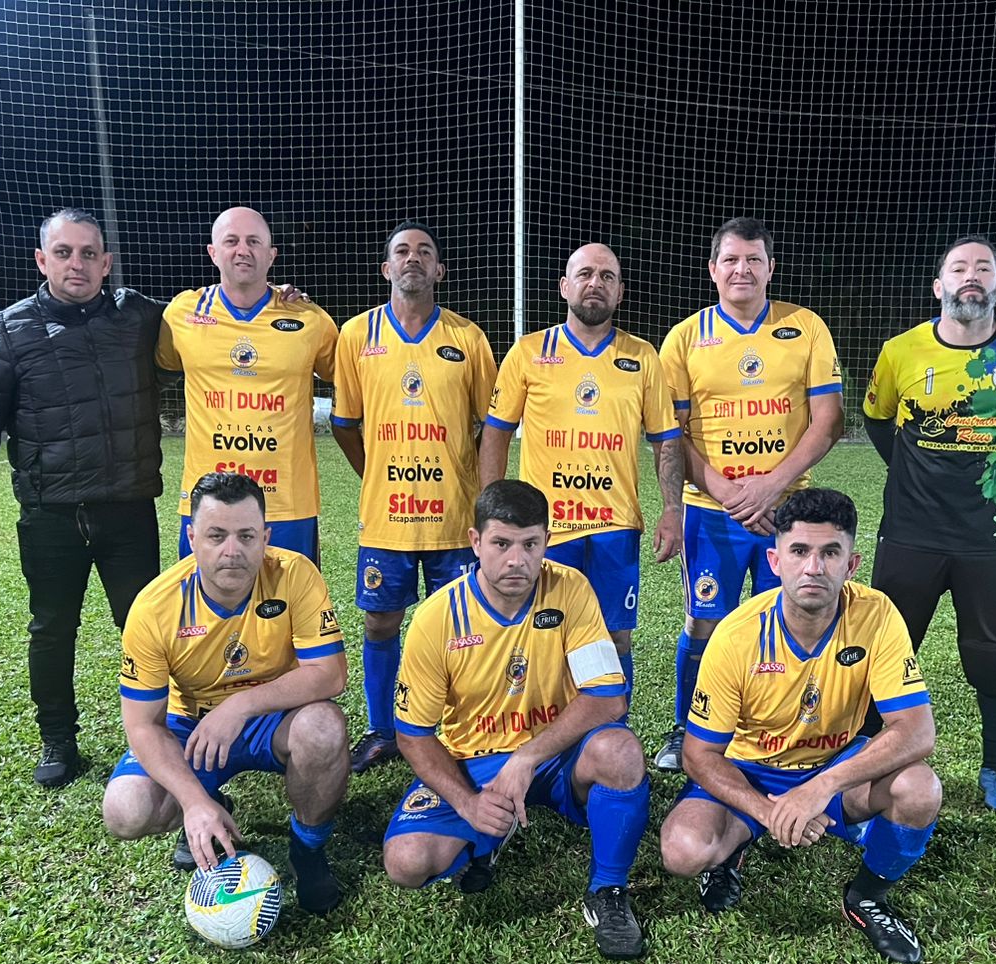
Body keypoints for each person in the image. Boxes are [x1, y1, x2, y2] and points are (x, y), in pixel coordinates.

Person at [659, 488, 941, 964]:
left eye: (830, 553)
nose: (814, 567)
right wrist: (769, 811)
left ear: (851, 565)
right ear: (775, 561)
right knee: (683, 851)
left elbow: (917, 731)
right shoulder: (736, 635)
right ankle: (738, 841)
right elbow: (698, 754)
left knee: (919, 790)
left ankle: (868, 896)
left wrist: (819, 788)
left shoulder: (876, 615)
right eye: (799, 551)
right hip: (750, 771)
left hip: (834, 767)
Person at [382, 480, 651, 959]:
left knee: (621, 751)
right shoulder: (436, 618)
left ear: (547, 541)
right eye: (501, 544)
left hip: (557, 754)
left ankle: (608, 890)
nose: (517, 560)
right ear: (475, 542)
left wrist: (526, 757)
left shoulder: (569, 589)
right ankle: (487, 832)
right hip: (475, 761)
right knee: (406, 862)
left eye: (530, 544)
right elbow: (413, 734)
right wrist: (467, 802)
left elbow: (609, 698)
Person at [0, 207, 163, 788]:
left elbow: (207, 321)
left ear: (106, 263)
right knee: (51, 628)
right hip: (50, 515)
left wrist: (273, 295)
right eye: (64, 253)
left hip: (128, 508)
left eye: (89, 253)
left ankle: (161, 733)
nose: (77, 264)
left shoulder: (139, 317)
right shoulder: (8, 329)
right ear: (42, 260)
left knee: (145, 628)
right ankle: (58, 739)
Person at [861, 237, 996, 815]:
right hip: (910, 534)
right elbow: (878, 422)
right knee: (885, 653)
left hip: (992, 536)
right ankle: (864, 759)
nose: (971, 276)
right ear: (938, 286)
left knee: (993, 656)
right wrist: (915, 474)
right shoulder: (900, 351)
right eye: (959, 268)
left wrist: (992, 470)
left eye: (983, 269)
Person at [102, 472, 349, 911]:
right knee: (126, 810)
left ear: (265, 537)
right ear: (192, 538)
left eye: (246, 536)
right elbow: (142, 725)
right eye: (216, 535)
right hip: (191, 724)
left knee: (324, 728)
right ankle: (208, 803)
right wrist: (193, 802)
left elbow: (330, 675)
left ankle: (307, 850)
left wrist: (240, 706)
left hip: (273, 717)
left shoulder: (295, 574)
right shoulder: (155, 607)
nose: (232, 551)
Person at [653, 217, 845, 772]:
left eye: (753, 259)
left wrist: (771, 485)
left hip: (788, 512)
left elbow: (829, 420)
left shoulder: (805, 327)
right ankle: (687, 729)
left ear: (770, 268)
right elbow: (670, 434)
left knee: (791, 621)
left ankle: (777, 734)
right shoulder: (685, 337)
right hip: (711, 512)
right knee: (705, 622)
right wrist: (726, 490)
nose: (743, 269)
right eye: (731, 260)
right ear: (713, 270)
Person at [479, 243, 684, 700]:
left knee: (615, 636)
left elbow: (667, 440)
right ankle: (541, 727)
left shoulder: (642, 357)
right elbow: (495, 432)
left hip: (615, 526)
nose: (596, 283)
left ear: (620, 292)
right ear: (564, 286)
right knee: (540, 634)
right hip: (545, 528)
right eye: (586, 274)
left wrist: (673, 510)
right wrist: (492, 510)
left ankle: (612, 730)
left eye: (607, 276)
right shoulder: (529, 352)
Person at [330, 221, 497, 773]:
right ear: (386, 268)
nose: (413, 258)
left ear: (439, 270)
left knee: (458, 627)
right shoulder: (356, 335)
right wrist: (375, 474)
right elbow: (344, 424)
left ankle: (455, 731)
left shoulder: (468, 338)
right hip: (387, 517)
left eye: (425, 252)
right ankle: (384, 731)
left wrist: (472, 484)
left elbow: (490, 426)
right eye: (402, 251)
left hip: (453, 517)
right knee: (380, 623)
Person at [158, 207, 337, 561]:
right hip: (207, 503)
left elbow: (343, 376)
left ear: (271, 255)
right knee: (206, 596)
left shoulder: (309, 319)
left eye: (254, 241)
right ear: (213, 252)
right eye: (232, 241)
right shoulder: (181, 314)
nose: (243, 250)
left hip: (287, 504)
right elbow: (159, 369)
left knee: (291, 596)